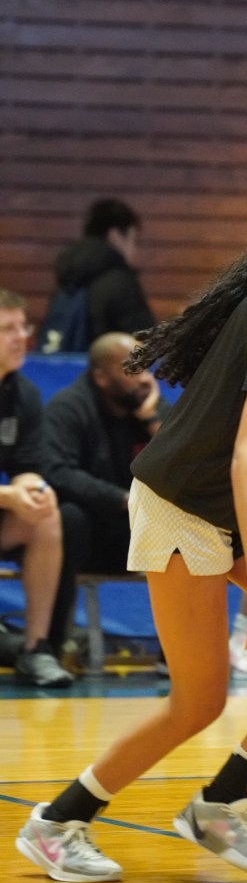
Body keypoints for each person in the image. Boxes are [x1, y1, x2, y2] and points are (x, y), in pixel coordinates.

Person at [16, 168, 247, 883]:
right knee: (198, 701)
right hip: (184, 504)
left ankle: (221, 803)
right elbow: (246, 454)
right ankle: (56, 824)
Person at [43, 332, 171, 658]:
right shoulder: (69, 407)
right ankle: (50, 646)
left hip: (136, 534)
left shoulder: (150, 407)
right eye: (132, 369)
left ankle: (175, 653)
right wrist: (121, 499)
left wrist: (151, 420)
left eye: (145, 368)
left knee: (184, 521)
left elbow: (183, 465)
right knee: (67, 518)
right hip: (87, 537)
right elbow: (58, 472)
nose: (144, 378)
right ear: (101, 377)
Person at [0, 288, 73, 688]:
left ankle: (35, 649)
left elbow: (27, 465)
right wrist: (8, 496)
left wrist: (32, 490)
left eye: (22, 327)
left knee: (47, 516)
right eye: (7, 329)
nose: (20, 338)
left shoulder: (22, 393)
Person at [40, 198, 155, 349]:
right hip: (107, 362)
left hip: (65, 360)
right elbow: (144, 338)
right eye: (133, 240)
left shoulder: (69, 273)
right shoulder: (120, 280)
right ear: (115, 235)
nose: (134, 250)